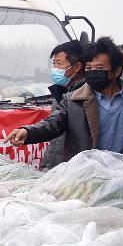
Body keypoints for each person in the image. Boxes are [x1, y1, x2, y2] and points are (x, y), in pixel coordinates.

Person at [6, 37, 123, 162]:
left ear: (116, 71)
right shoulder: (72, 101)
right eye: (89, 68)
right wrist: (28, 132)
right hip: (87, 177)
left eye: (99, 68)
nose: (92, 72)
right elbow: (52, 124)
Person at [41, 40, 86, 170]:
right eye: (53, 64)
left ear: (77, 67)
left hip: (74, 172)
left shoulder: (84, 98)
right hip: (56, 169)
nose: (55, 69)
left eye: (59, 64)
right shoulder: (60, 94)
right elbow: (55, 139)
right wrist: (46, 166)